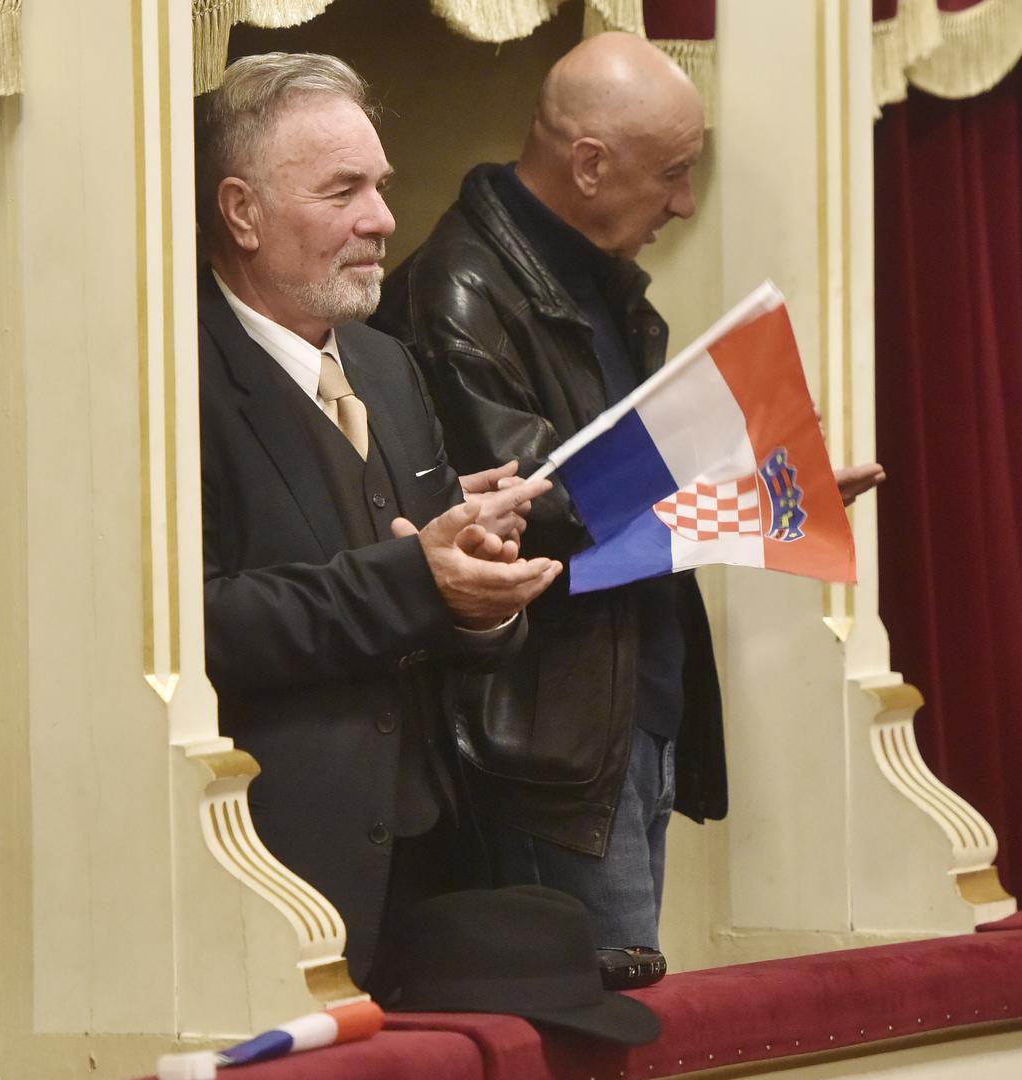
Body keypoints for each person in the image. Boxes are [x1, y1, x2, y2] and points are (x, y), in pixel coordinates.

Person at [371, 32, 885, 952]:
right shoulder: (453, 291)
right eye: (674, 175)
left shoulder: (597, 276)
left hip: (617, 720)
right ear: (591, 163)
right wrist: (739, 480)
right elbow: (535, 506)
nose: (685, 205)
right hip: (542, 745)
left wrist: (764, 489)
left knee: (634, 1009)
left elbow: (616, 492)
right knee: (596, 1030)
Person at [195, 51, 561, 989]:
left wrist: (482, 600)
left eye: (381, 187)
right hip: (264, 874)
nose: (383, 220)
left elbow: (434, 598)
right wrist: (417, 580)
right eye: (343, 191)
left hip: (435, 864)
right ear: (242, 212)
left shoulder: (387, 367)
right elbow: (189, 623)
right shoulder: (173, 375)